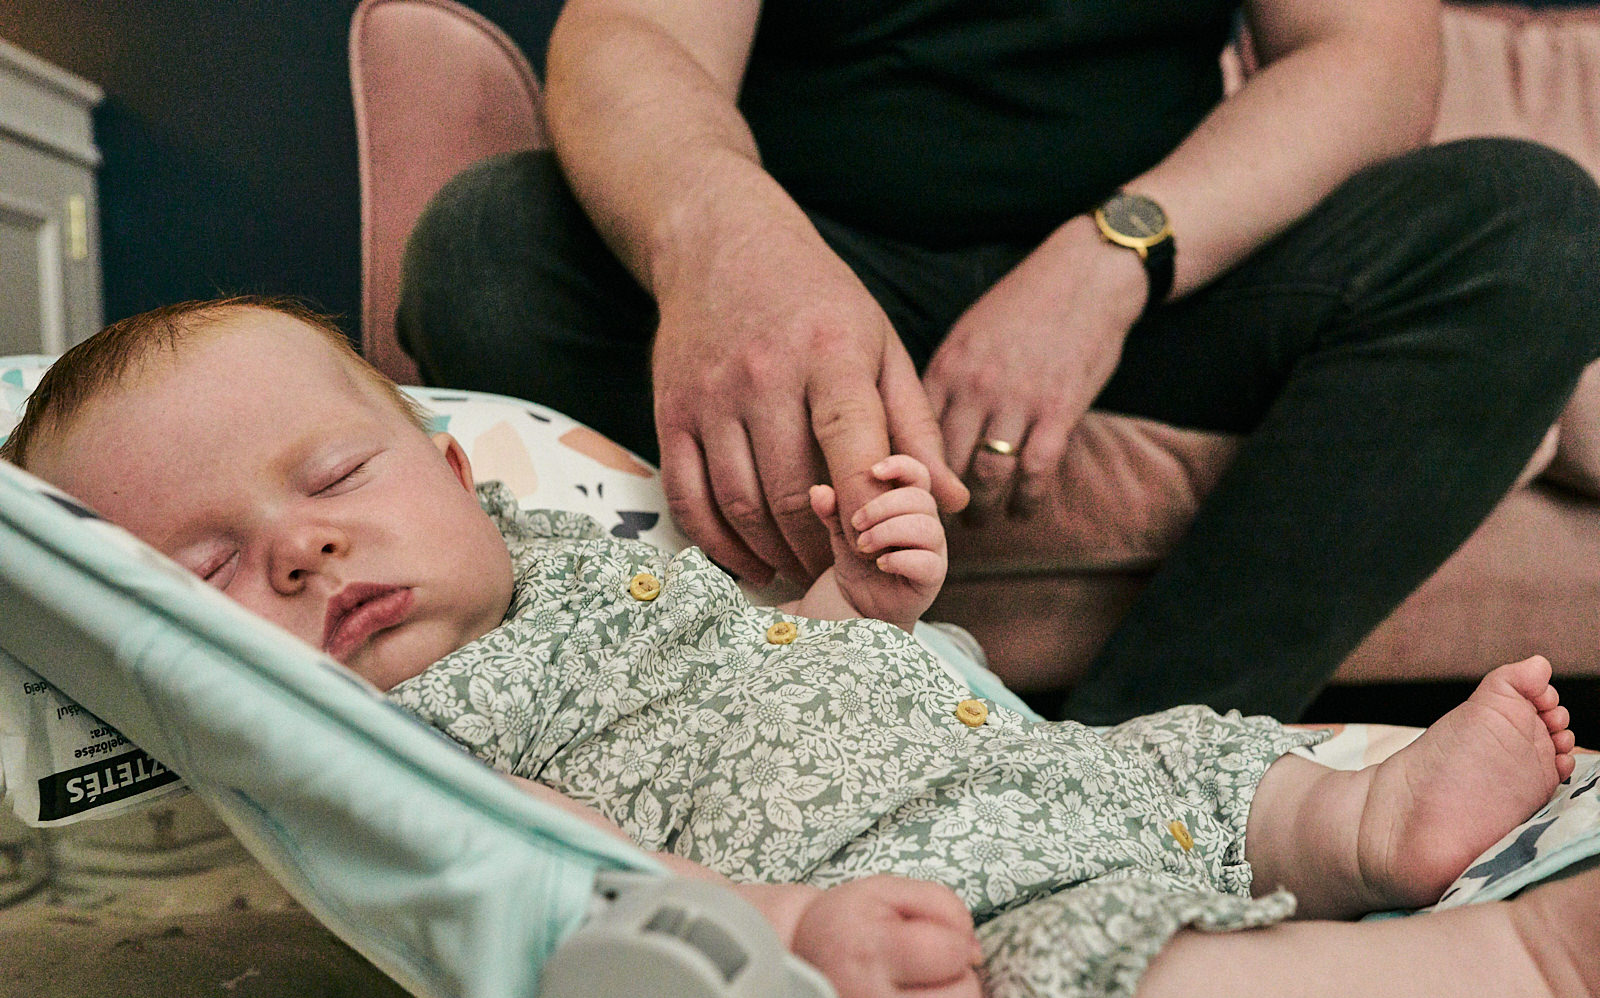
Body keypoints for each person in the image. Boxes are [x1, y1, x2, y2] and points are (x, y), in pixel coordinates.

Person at [7, 297, 1599, 998]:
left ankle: (1372, 820)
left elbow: (775, 672)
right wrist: (785, 937)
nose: (297, 550)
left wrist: (861, 595)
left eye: (335, 473)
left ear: (446, 464)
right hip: (906, 874)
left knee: (1199, 762)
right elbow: (561, 871)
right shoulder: (414, 732)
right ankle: (1502, 983)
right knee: (1055, 977)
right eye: (208, 572)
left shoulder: (566, 548)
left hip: (1034, 757)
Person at [396, 0, 1600, 726]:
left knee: (1534, 228)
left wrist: (1112, 259)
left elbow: (1368, 58)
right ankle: (772, 739)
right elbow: (635, 35)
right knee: (486, 254)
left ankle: (1131, 767)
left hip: (1149, 289)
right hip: (809, 269)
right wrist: (736, 242)